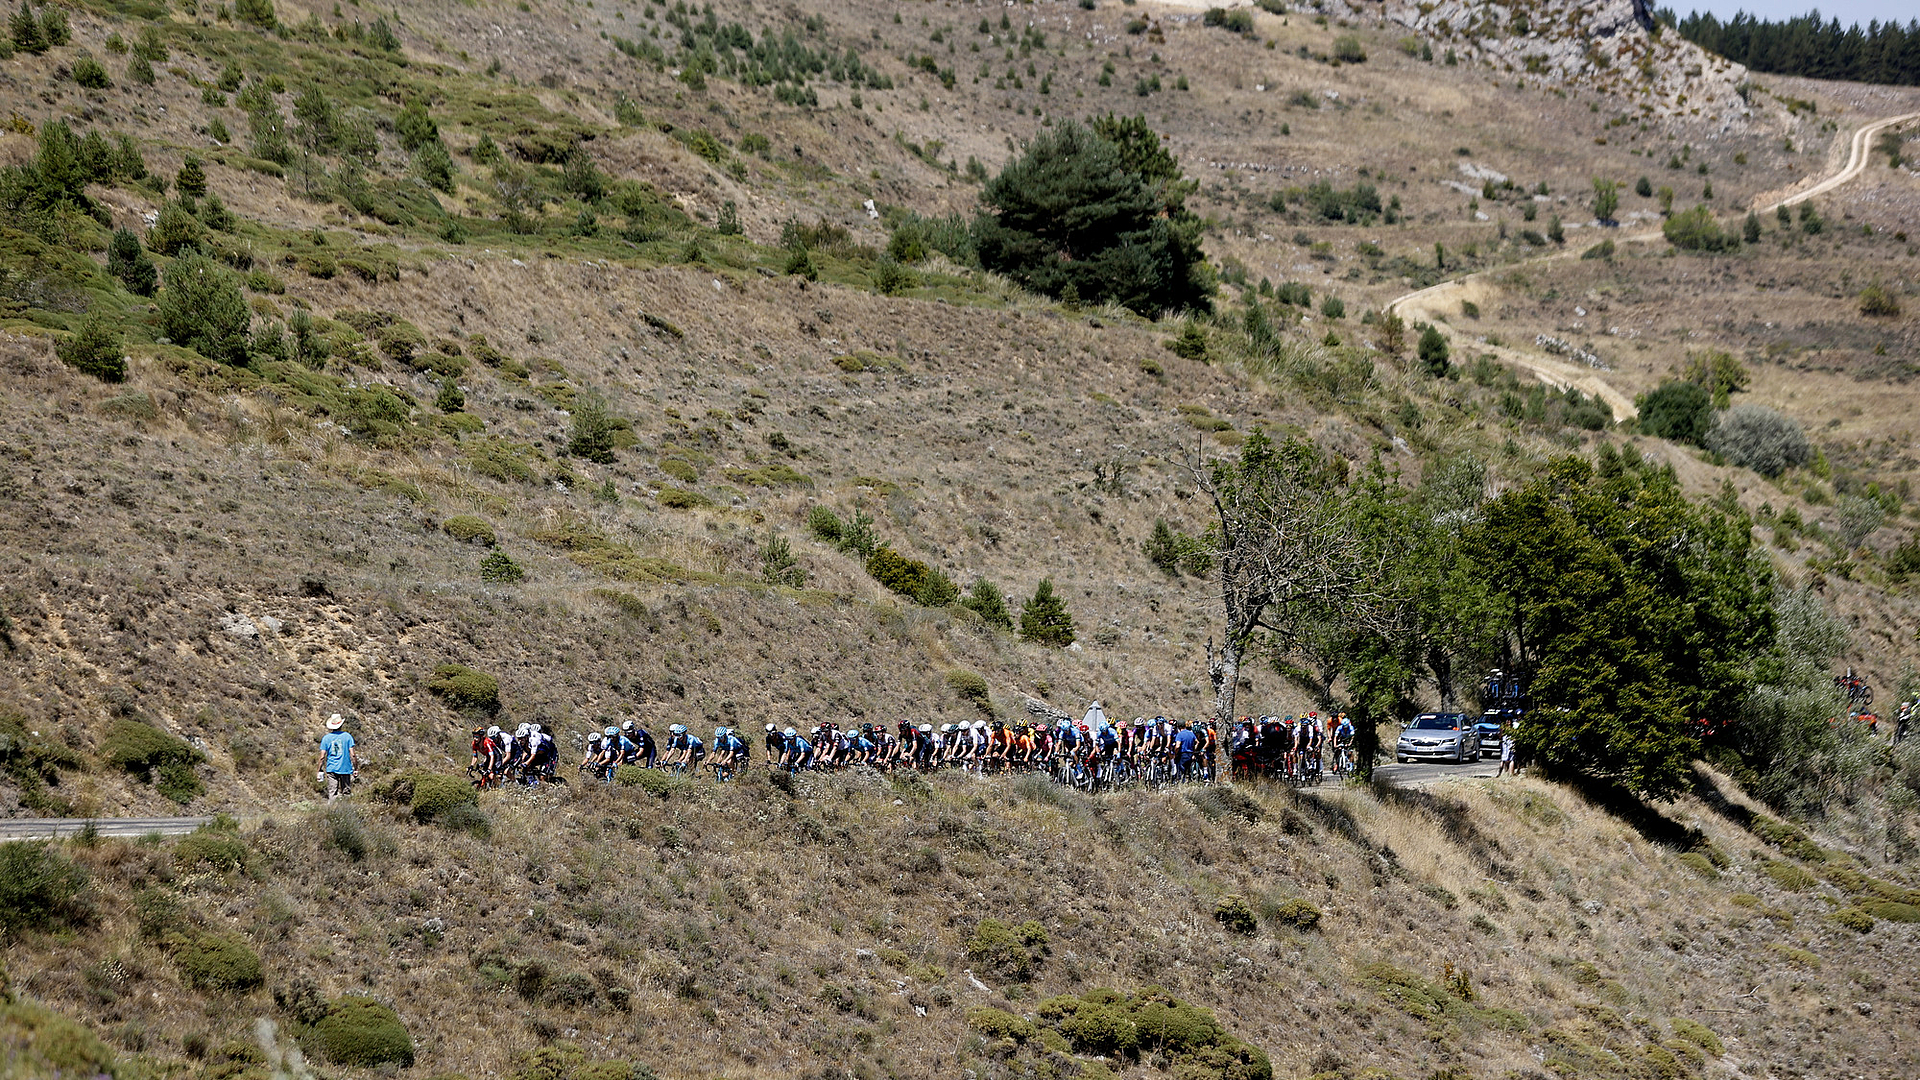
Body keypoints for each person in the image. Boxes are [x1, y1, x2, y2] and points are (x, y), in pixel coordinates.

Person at [319, 714, 356, 801]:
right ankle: (347, 812)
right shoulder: (347, 736)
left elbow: (322, 757)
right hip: (345, 768)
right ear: (341, 725)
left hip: (331, 768)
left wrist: (319, 770)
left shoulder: (326, 738)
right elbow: (353, 754)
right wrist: (355, 768)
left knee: (332, 793)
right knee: (346, 793)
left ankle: (331, 812)